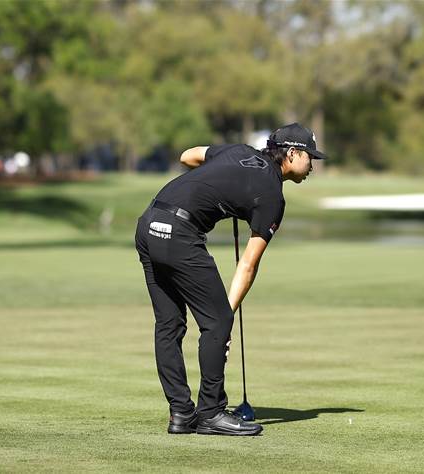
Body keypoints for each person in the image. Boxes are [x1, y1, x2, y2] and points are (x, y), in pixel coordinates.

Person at [135, 123, 326, 436]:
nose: (312, 166)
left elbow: (187, 156)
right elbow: (248, 265)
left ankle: (181, 413)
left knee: (169, 324)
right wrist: (224, 318)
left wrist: (225, 184)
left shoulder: (238, 151)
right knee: (218, 320)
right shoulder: (272, 196)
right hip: (179, 234)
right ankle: (210, 412)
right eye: (311, 158)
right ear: (292, 154)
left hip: (148, 224)